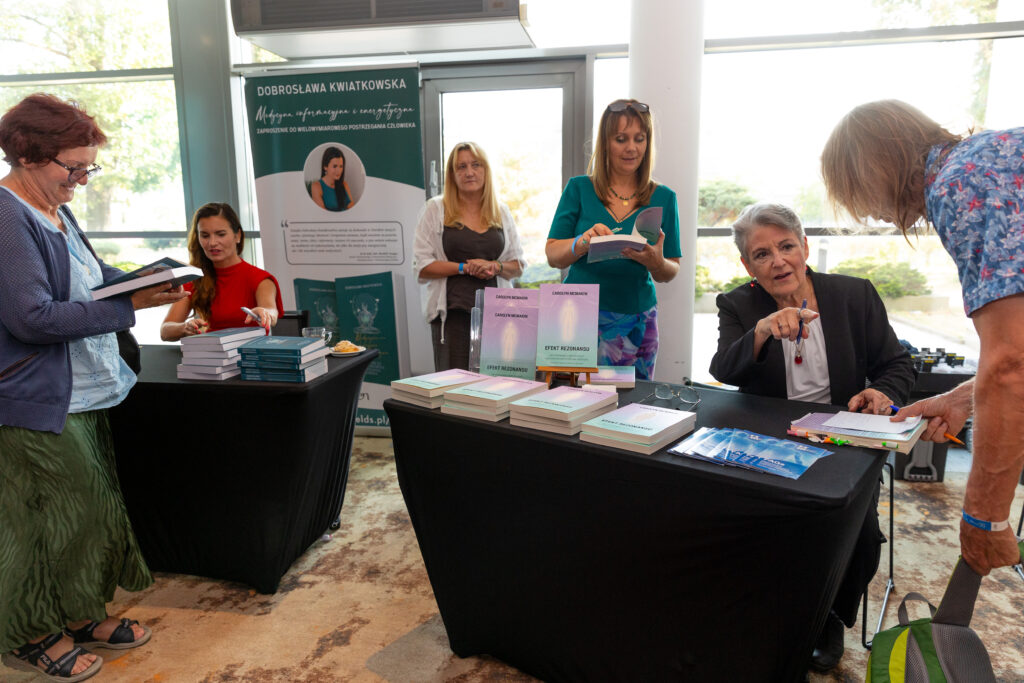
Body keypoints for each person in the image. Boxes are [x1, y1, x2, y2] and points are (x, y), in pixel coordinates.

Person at [0, 93, 185, 681]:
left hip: (82, 389)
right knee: (41, 521)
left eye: (88, 168)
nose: (81, 179)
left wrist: (145, 280)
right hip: (33, 399)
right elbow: (31, 318)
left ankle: (79, 614)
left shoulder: (54, 207)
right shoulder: (6, 217)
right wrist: (130, 306)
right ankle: (29, 633)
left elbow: (92, 278)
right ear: (27, 155)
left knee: (89, 511)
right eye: (73, 167)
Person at [709, 202, 916, 672]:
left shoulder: (854, 295)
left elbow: (897, 364)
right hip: (771, 438)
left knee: (857, 531)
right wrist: (761, 331)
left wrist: (882, 393)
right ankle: (762, 606)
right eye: (762, 254)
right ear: (748, 266)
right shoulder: (738, 304)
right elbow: (723, 369)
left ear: (804, 246)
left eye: (786, 246)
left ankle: (830, 616)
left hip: (844, 435)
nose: (778, 261)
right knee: (754, 516)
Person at [822, 100, 1024, 578]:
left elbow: (1010, 363)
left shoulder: (960, 183)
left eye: (857, 193)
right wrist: (964, 398)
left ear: (875, 165)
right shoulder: (987, 157)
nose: (871, 214)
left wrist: (984, 516)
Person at [545, 99, 681, 379]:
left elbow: (671, 269)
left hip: (638, 319)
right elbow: (553, 255)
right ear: (605, 143)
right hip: (578, 317)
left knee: (632, 400)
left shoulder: (664, 197)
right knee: (574, 398)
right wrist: (582, 242)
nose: (632, 148)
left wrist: (656, 262)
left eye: (639, 139)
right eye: (621, 139)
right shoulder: (579, 188)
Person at [412, 141, 526, 371]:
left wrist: (495, 266)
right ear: (452, 175)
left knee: (497, 386)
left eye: (476, 165)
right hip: (453, 318)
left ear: (485, 170)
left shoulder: (501, 211)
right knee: (453, 388)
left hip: (499, 317)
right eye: (461, 167)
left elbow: (518, 266)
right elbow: (422, 267)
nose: (469, 172)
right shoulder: (435, 209)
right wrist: (464, 268)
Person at [161, 202, 283, 341]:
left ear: (237, 236)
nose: (212, 243)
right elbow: (165, 331)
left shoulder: (260, 279)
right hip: (208, 352)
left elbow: (271, 311)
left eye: (220, 234)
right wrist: (184, 327)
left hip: (250, 352)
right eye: (205, 236)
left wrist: (265, 313)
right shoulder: (195, 278)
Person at [311, 146, 353, 211]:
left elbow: (352, 209)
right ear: (325, 166)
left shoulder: (344, 185)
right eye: (335, 166)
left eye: (341, 166)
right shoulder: (316, 187)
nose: (338, 171)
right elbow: (322, 214)